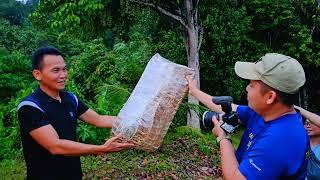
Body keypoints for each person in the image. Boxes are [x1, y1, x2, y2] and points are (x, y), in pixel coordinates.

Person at [17, 46, 134, 180]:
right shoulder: (30, 106)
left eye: (64, 69)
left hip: (73, 174)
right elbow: (55, 146)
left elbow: (99, 119)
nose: (63, 75)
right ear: (38, 74)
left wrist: (134, 120)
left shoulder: (70, 99)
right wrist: (101, 148)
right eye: (56, 70)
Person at [187, 53, 308, 179]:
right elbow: (229, 107)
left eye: (251, 84)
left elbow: (236, 178)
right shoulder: (266, 114)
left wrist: (223, 138)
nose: (246, 88)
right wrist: (194, 91)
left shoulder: (281, 139)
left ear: (270, 97)